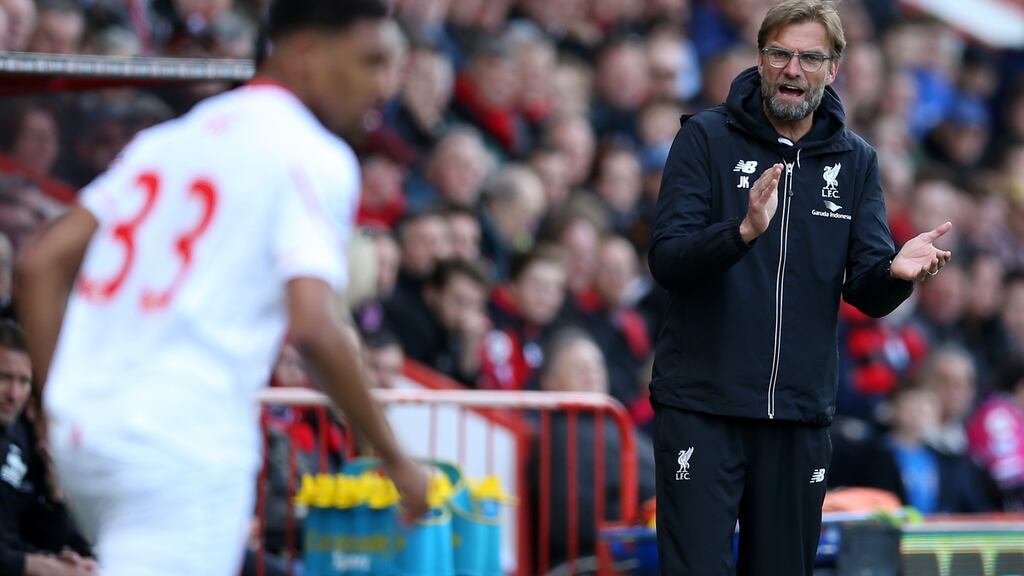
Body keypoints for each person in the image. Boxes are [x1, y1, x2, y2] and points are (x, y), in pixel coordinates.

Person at [14, 2, 429, 575]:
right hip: (183, 440)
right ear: (307, 55)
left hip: (90, 437)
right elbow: (314, 323)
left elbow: (39, 262)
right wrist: (395, 459)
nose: (384, 87)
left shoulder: (171, 139)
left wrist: (56, 404)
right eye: (371, 61)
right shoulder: (313, 154)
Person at [647, 1, 953, 574]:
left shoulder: (856, 160)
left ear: (833, 68)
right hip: (702, 407)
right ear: (760, 59)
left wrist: (894, 274)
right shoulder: (705, 139)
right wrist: (739, 233)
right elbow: (667, 258)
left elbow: (866, 288)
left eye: (810, 57)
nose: (793, 69)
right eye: (780, 54)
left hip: (798, 416)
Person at [0, 320, 95, 576]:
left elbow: (31, 526)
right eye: (5, 378)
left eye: (24, 381)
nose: (14, 393)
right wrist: (37, 565)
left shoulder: (20, 439)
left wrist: (54, 497)